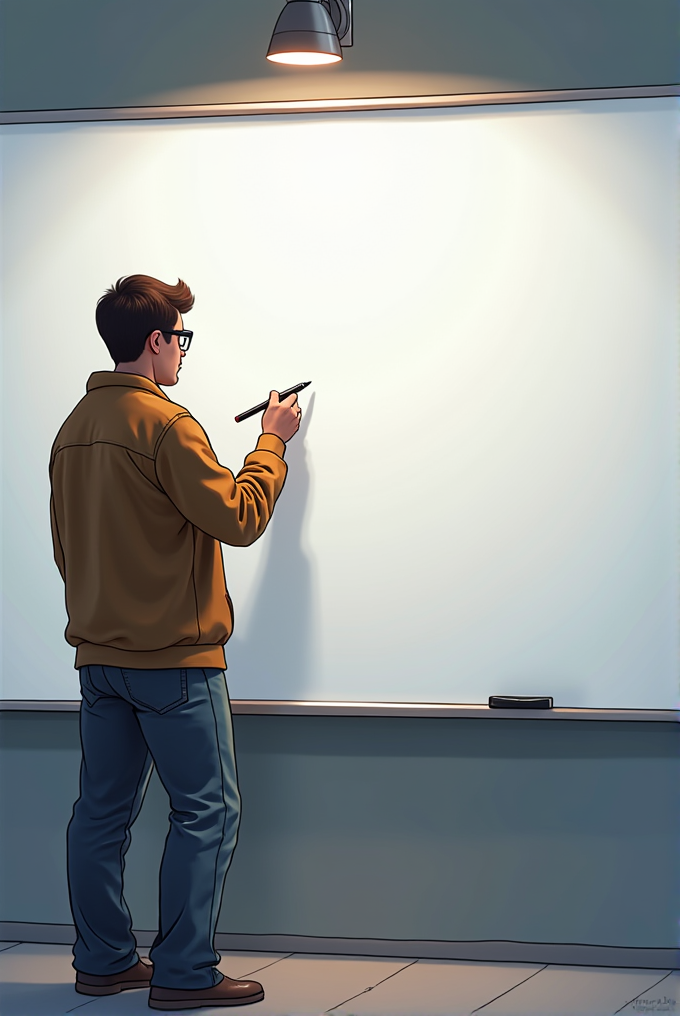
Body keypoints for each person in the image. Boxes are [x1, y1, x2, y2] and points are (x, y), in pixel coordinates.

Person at [49, 274, 301, 1010]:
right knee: (207, 810)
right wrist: (271, 443)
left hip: (99, 661)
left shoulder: (72, 429)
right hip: (173, 665)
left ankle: (102, 961)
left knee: (100, 814)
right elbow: (241, 516)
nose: (182, 354)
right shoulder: (167, 424)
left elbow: (68, 548)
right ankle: (186, 971)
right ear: (155, 342)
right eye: (179, 339)